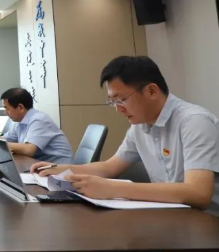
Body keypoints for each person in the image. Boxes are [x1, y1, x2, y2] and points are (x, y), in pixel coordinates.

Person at [32, 56, 219, 216]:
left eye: (121, 100)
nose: (118, 109)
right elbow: (109, 167)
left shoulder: (194, 122)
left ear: (151, 91)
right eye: (112, 102)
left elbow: (198, 193)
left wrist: (112, 188)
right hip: (170, 215)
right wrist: (63, 169)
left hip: (206, 222)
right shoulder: (140, 126)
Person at [1, 87, 73, 163]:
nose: (5, 113)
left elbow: (29, 150)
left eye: (7, 108)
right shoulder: (19, 122)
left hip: (59, 167)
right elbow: (4, 139)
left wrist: (3, 145)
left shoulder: (38, 119)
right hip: (40, 164)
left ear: (20, 107)